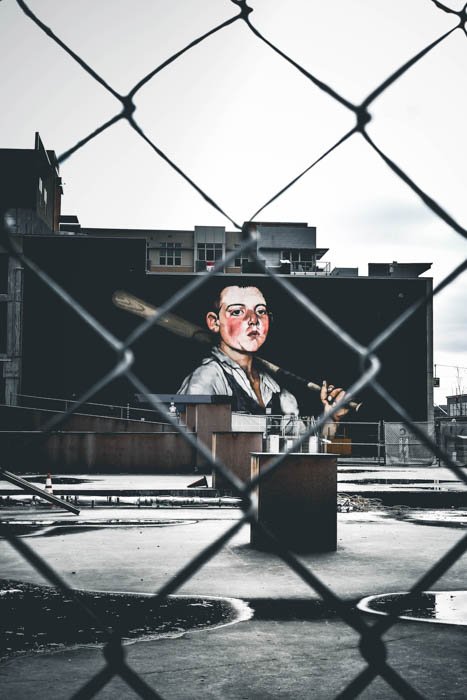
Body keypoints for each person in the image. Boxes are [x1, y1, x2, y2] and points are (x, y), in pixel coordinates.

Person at [177, 285, 348, 432]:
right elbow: (193, 439)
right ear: (214, 322)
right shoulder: (207, 379)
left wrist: (331, 416)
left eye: (261, 311)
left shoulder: (276, 391)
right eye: (237, 311)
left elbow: (303, 445)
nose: (253, 319)